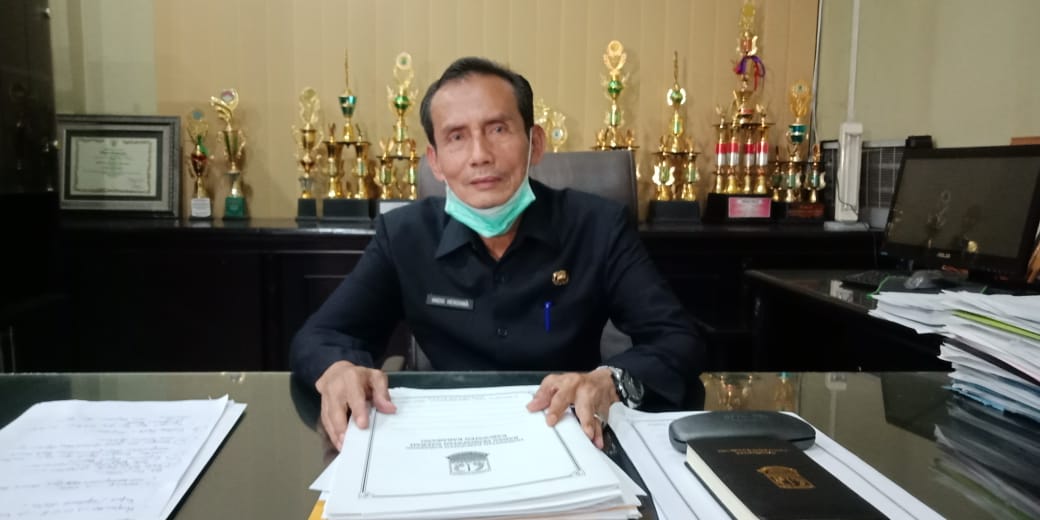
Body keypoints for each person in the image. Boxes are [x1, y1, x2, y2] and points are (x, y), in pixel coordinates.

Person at [291, 56, 704, 451]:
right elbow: (320, 336)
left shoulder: (597, 225)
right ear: (435, 161)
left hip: (569, 431)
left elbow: (677, 339)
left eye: (499, 129)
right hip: (446, 437)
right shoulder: (403, 236)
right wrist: (339, 369)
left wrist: (609, 381)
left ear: (535, 143)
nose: (480, 155)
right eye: (456, 137)